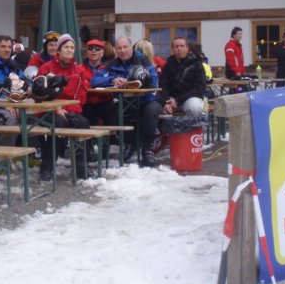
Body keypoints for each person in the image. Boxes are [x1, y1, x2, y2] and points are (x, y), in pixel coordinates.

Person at [91, 36, 162, 167]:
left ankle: (148, 149)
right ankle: (130, 142)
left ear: (131, 47)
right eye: (119, 48)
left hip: (146, 100)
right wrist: (112, 80)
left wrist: (138, 82)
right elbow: (95, 81)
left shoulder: (143, 61)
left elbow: (154, 81)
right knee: (111, 112)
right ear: (115, 50)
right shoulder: (113, 64)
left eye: (125, 47)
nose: (122, 51)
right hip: (124, 100)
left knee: (150, 111)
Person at [36, 34, 90, 181]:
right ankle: (46, 166)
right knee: (57, 125)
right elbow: (39, 94)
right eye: (66, 47)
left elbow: (81, 97)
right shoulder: (46, 67)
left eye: (72, 47)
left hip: (71, 110)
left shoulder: (79, 70)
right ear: (58, 50)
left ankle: (81, 166)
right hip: (48, 110)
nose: (70, 50)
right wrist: (58, 110)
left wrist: (70, 112)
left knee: (83, 123)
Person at [159, 37, 207, 117]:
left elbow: (199, 88)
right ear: (173, 49)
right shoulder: (168, 64)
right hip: (171, 99)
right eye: (176, 46)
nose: (179, 48)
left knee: (195, 107)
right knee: (156, 107)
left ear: (187, 49)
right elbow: (163, 85)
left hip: (189, 99)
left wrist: (178, 100)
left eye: (182, 46)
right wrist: (166, 102)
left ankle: (193, 125)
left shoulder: (196, 64)